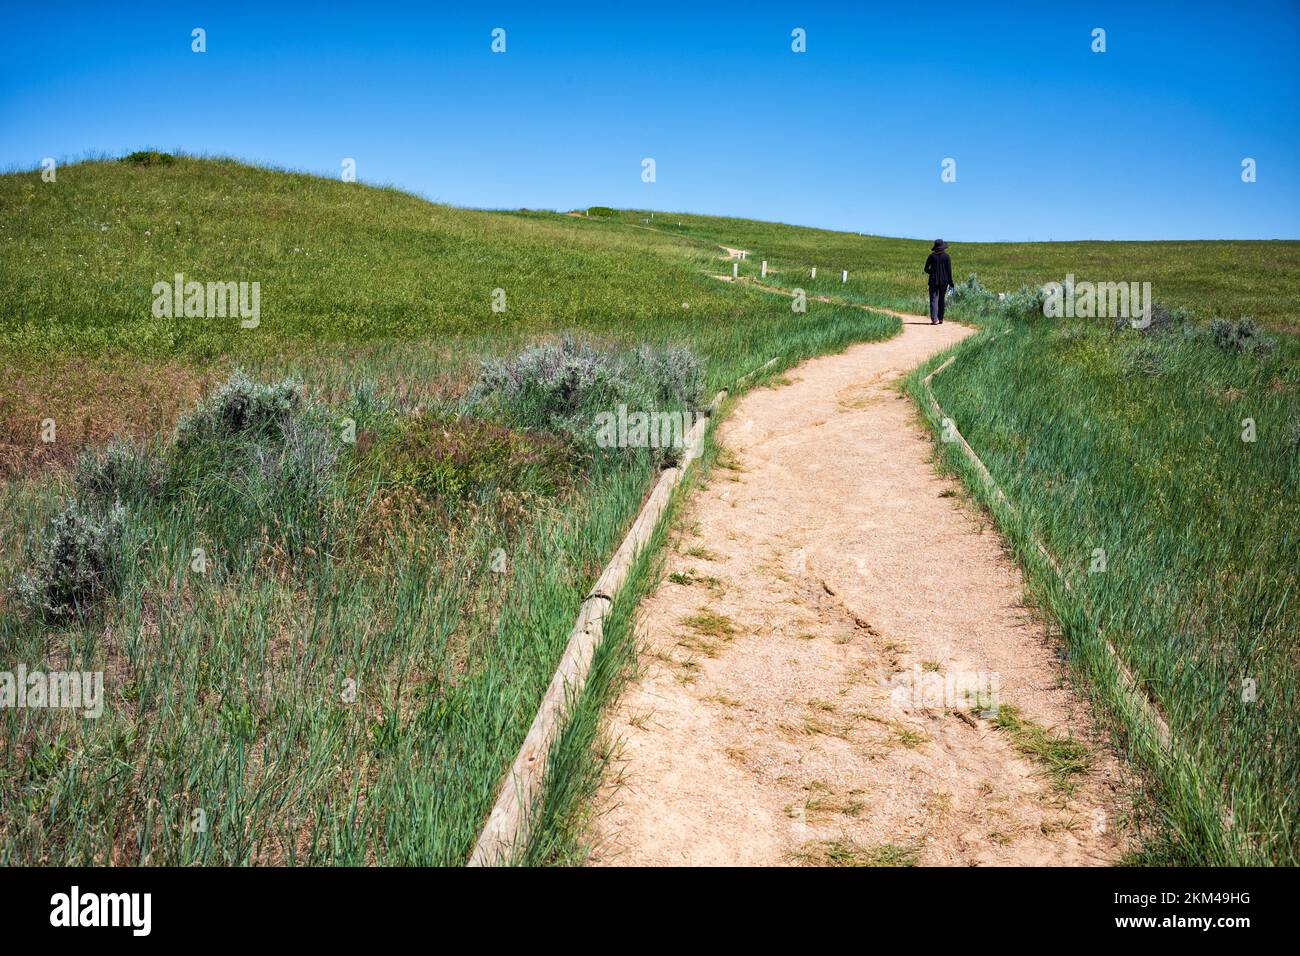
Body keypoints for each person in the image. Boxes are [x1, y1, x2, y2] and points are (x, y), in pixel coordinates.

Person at [924, 239, 954, 325]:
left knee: (934, 300)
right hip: (944, 281)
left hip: (933, 281)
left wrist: (932, 272)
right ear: (943, 248)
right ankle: (941, 319)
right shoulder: (947, 257)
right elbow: (949, 271)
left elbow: (926, 269)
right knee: (941, 300)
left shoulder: (931, 256)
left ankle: (934, 319)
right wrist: (951, 282)